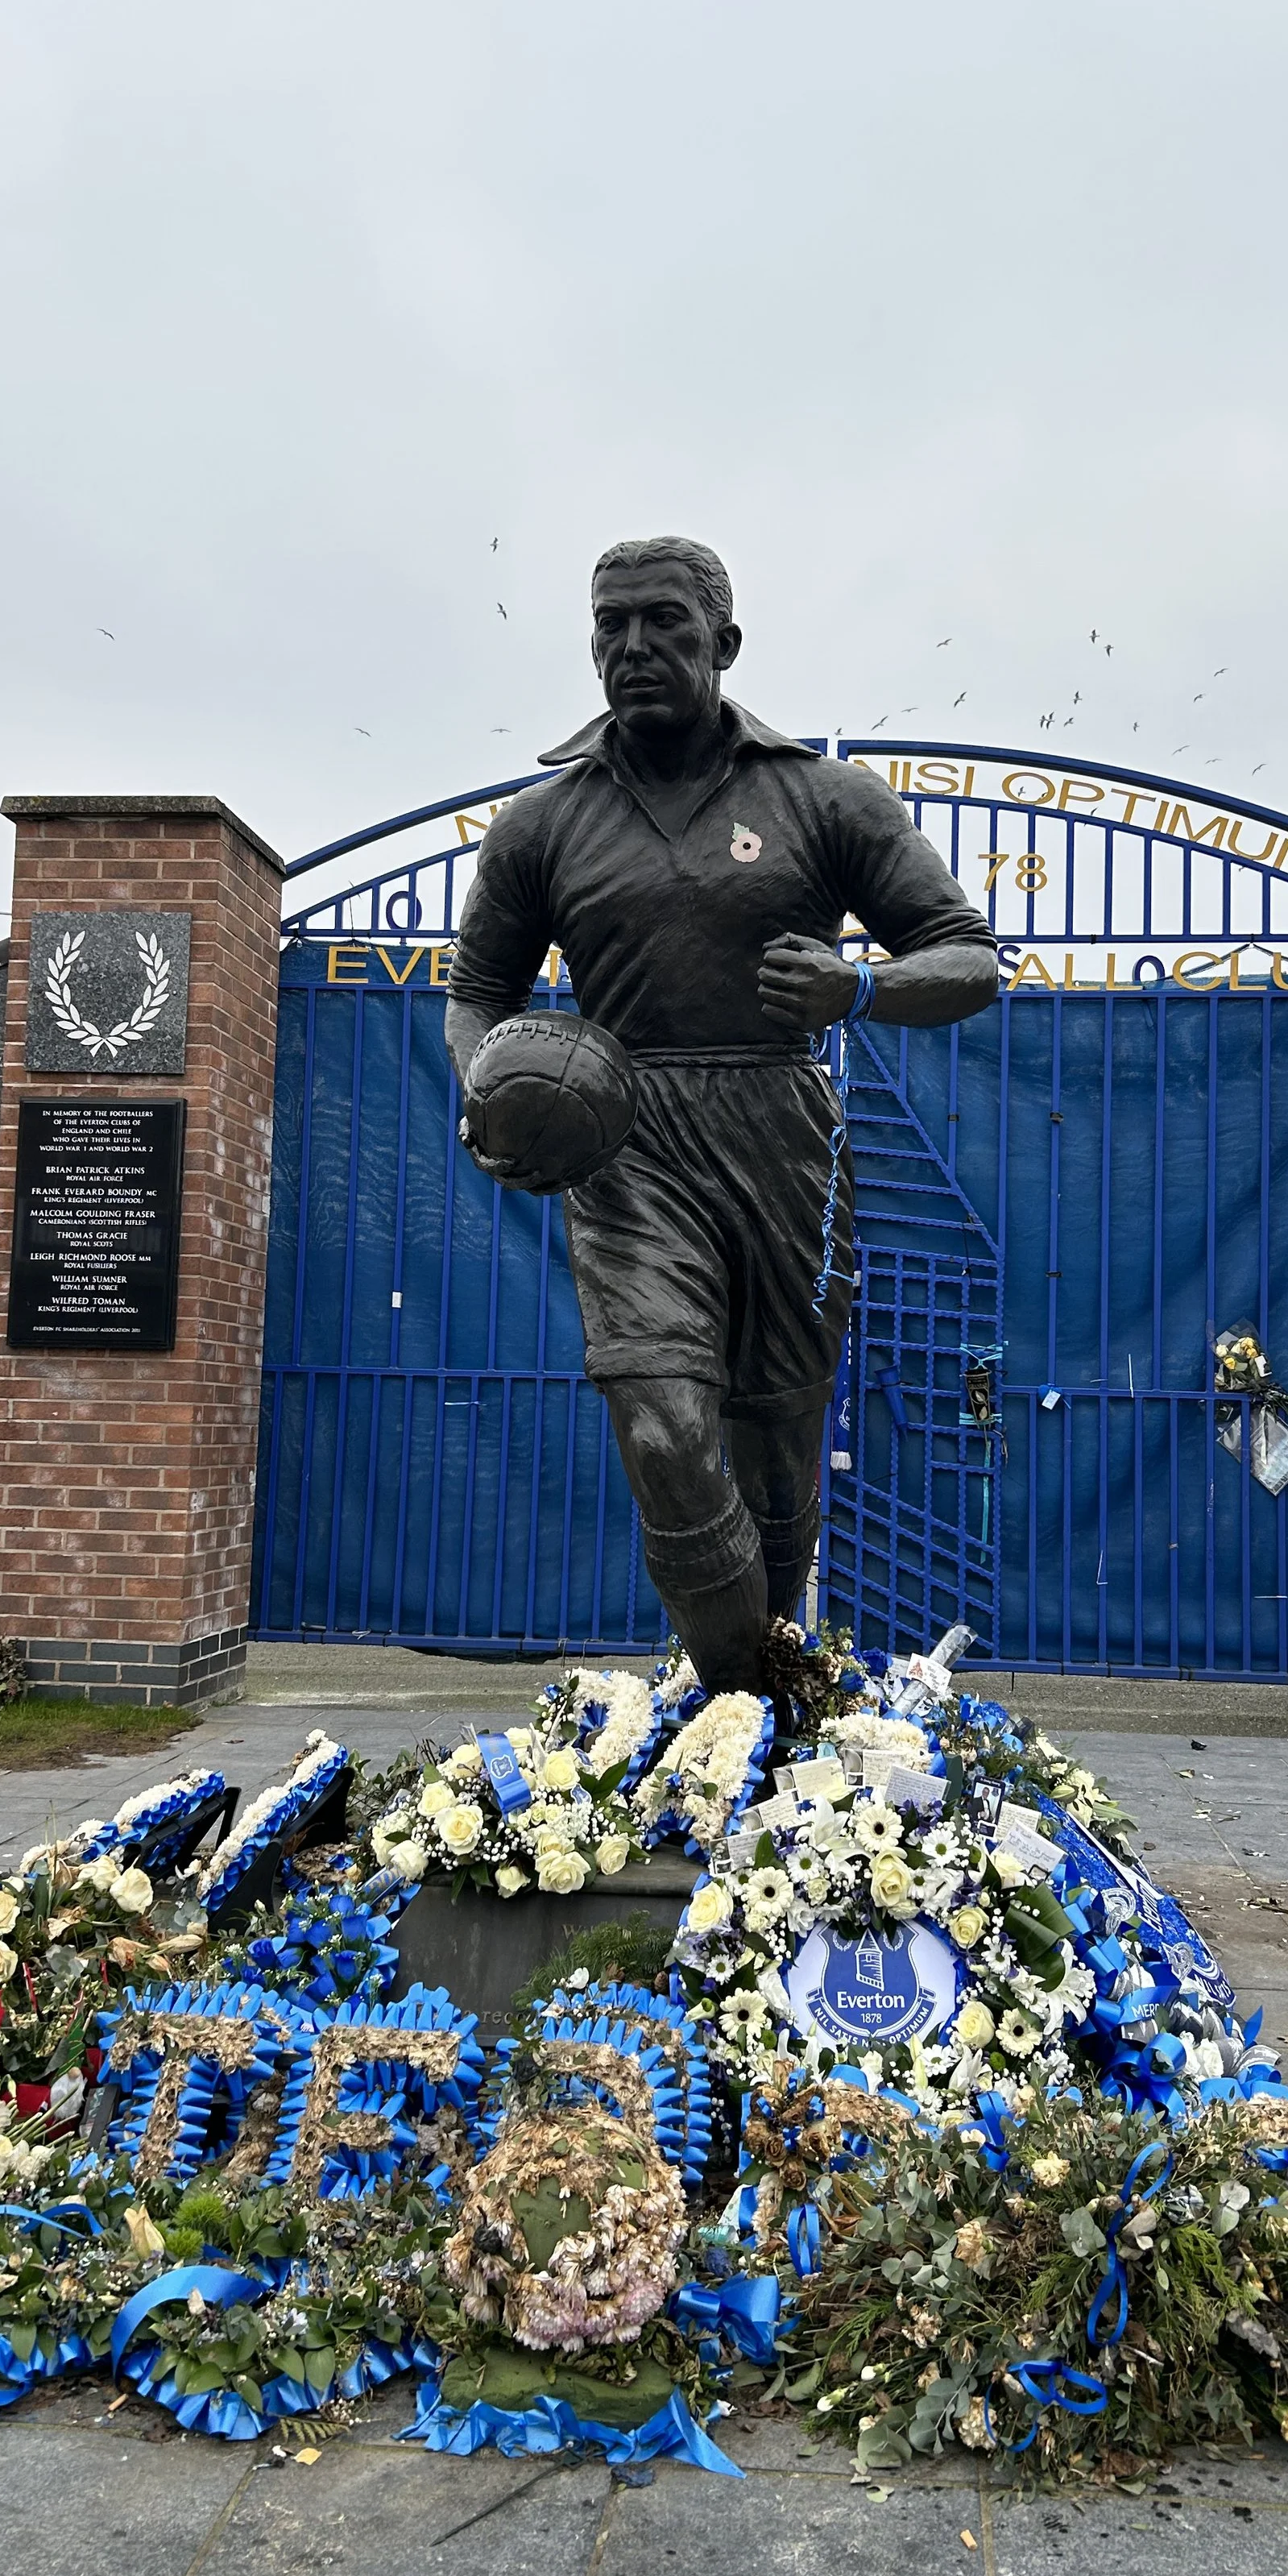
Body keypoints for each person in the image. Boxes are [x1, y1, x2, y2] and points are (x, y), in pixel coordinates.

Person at [445, 536, 998, 1717]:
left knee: (774, 1446)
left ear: (724, 643)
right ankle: (748, 1706)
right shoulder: (541, 825)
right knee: (662, 1430)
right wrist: (486, 1089)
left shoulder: (823, 798)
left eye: (665, 623)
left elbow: (967, 958)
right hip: (627, 1139)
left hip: (783, 1136)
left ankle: (768, 1690)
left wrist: (861, 990)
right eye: (611, 626)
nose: (633, 647)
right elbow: (477, 996)